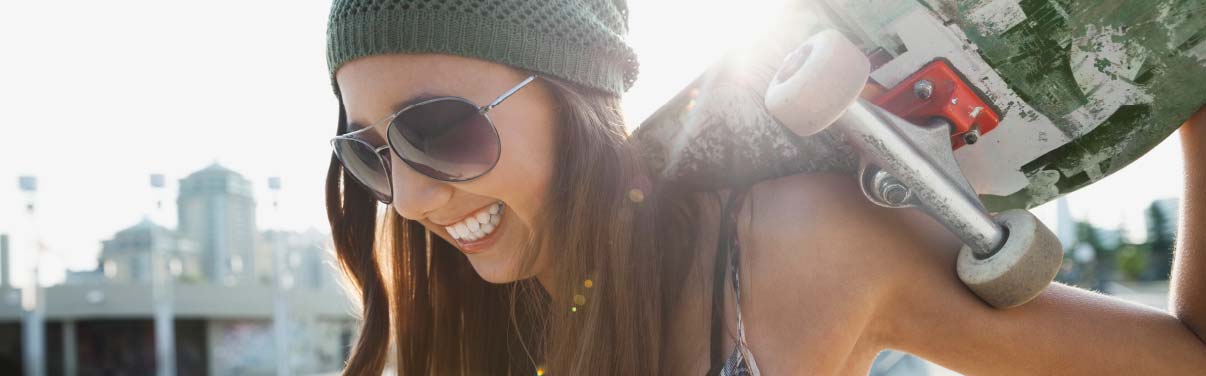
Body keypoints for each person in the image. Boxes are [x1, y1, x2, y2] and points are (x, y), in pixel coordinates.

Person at [322, 0, 1206, 374]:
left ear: (579, 101)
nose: (405, 200)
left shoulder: (784, 254)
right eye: (368, 153)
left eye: (437, 131)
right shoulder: (466, 330)